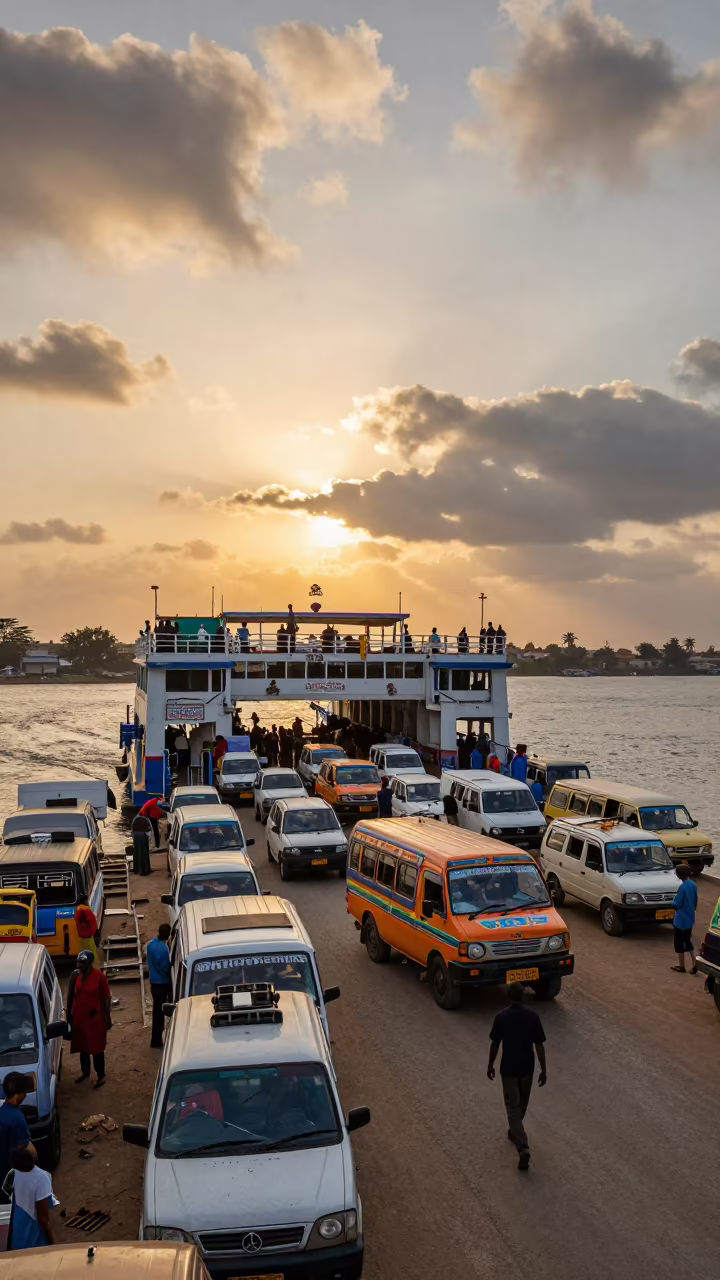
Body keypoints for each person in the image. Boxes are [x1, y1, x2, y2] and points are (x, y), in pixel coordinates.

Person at [487, 983, 547, 1171]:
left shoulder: (501, 1017)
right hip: (527, 1069)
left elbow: (495, 1044)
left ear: (508, 996)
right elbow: (539, 1046)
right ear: (523, 996)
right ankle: (516, 1132)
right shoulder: (533, 1017)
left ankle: (522, 1147)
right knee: (521, 1105)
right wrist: (544, 1070)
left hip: (509, 1069)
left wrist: (490, 1065)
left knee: (512, 1108)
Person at [67, 951, 112, 1088]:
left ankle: (101, 1075)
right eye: (78, 962)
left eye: (82, 963)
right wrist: (68, 1013)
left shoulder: (99, 977)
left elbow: (106, 998)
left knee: (97, 1048)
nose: (79, 965)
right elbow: (70, 995)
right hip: (79, 1018)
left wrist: (107, 1017)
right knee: (82, 1046)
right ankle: (85, 1072)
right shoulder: (75, 975)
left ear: (89, 964)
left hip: (94, 1019)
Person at [7, 1146, 55, 1249]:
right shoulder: (42, 1177)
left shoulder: (12, 1174)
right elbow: (43, 1219)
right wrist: (52, 1241)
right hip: (34, 1240)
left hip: (16, 1238)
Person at [0, 1074, 35, 1203]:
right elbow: (25, 1149)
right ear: (17, 1094)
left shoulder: (2, 1113)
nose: (25, 1095)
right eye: (24, 1092)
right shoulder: (17, 1118)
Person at [147, 923, 172, 1049]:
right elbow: (166, 967)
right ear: (168, 934)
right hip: (162, 983)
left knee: (156, 1011)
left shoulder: (150, 944)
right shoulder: (163, 948)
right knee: (163, 1010)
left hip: (154, 983)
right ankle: (158, 1039)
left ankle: (155, 1039)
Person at [671, 864, 699, 973]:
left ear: (679, 875)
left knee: (678, 942)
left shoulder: (682, 887)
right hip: (690, 917)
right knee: (687, 940)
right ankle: (694, 963)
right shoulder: (693, 885)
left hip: (680, 918)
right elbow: (695, 901)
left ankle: (681, 965)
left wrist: (672, 901)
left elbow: (677, 903)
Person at [130, 807, 153, 876]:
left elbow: (132, 830)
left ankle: (137, 868)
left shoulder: (135, 819)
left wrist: (134, 838)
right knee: (144, 854)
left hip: (136, 838)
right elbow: (149, 829)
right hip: (143, 837)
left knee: (137, 853)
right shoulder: (146, 819)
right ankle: (145, 869)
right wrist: (149, 838)